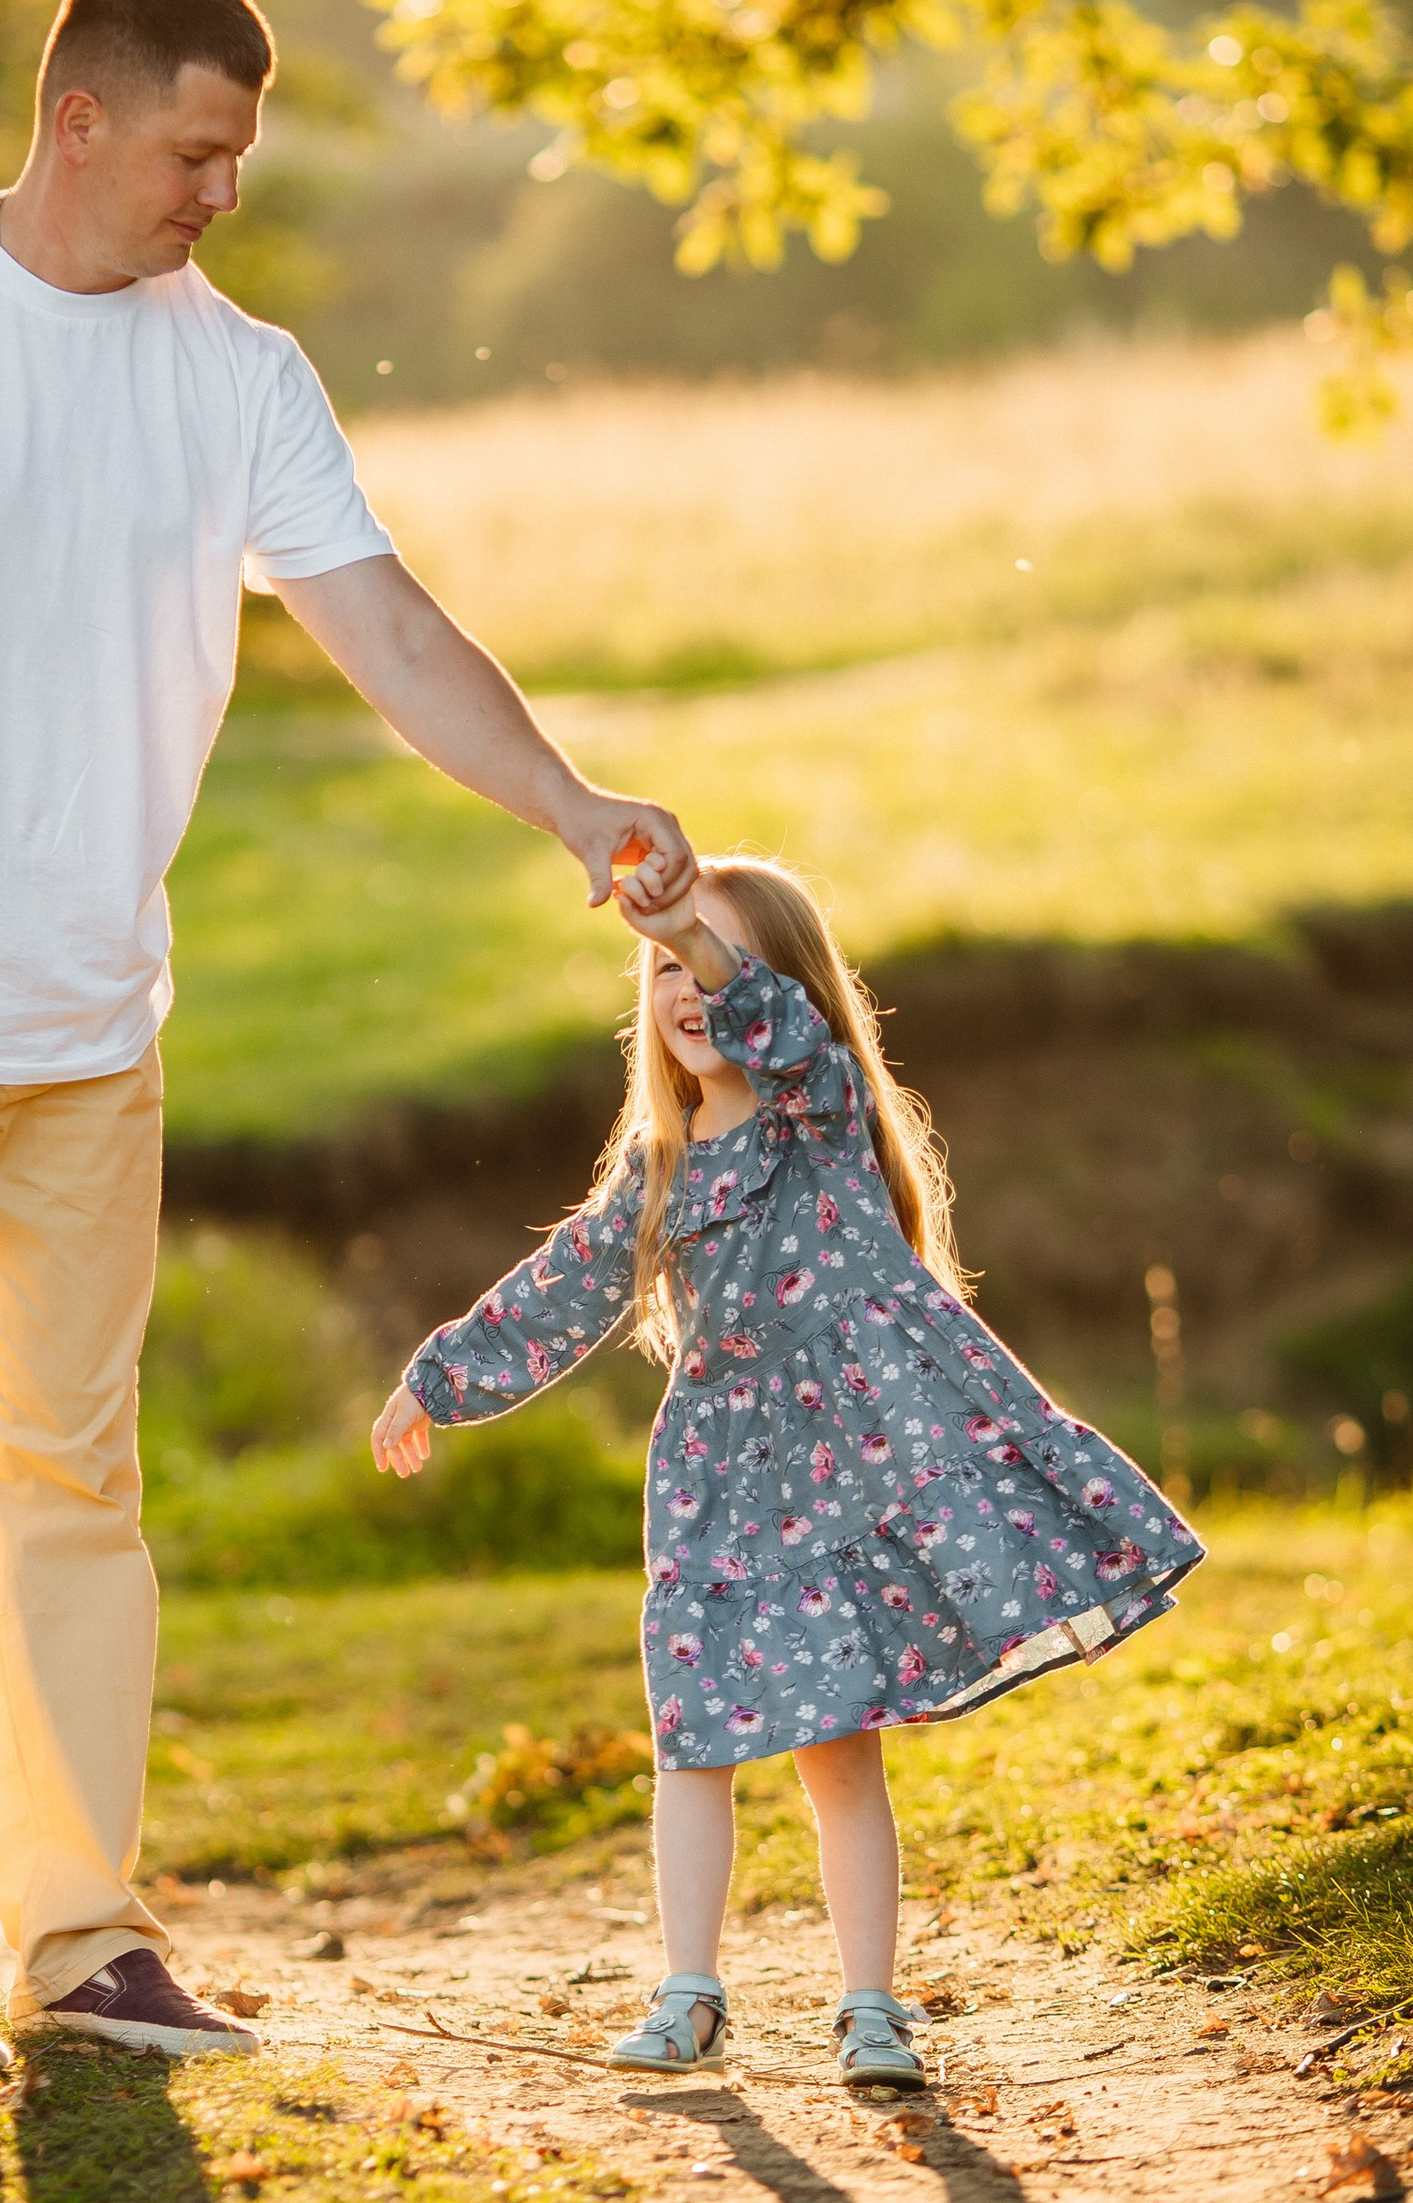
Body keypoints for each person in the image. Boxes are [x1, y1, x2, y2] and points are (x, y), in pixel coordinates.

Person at [0, 0, 697, 2099]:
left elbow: (385, 626)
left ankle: (83, 1940)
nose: (221, 192)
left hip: (86, 1037)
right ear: (79, 118)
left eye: (239, 158)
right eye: (196, 150)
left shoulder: (240, 376)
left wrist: (570, 803)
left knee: (75, 1489)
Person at [371, 853, 1202, 2086]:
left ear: (776, 988)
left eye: (713, 964)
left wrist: (698, 939)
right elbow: (560, 1289)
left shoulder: (818, 1116)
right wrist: (437, 1379)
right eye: (662, 966)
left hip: (853, 1472)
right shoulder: (656, 1169)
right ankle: (689, 1994)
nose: (687, 988)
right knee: (691, 1739)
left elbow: (787, 1035)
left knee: (841, 1750)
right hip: (720, 1481)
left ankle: (871, 2008)